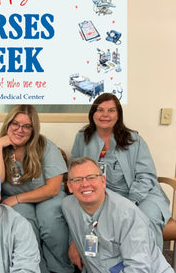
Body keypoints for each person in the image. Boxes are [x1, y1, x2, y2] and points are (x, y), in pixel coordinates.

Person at [0, 105, 75, 273]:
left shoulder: (45, 146)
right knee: (24, 223)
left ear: (34, 130)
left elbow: (52, 188)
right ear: (7, 124)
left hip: (46, 196)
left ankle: (64, 272)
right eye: (15, 124)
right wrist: (0, 146)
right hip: (16, 202)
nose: (20, 129)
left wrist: (17, 198)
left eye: (27, 126)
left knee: (50, 219)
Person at [71, 93, 170, 249]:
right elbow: (75, 170)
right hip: (105, 197)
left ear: (118, 114)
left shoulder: (133, 139)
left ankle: (151, 269)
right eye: (100, 110)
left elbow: (146, 176)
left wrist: (132, 201)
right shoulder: (83, 137)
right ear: (93, 114)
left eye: (111, 110)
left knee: (146, 219)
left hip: (142, 195)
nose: (105, 115)